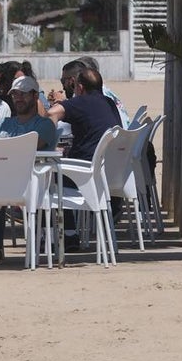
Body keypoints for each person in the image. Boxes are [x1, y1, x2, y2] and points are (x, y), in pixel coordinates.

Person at [0, 75, 59, 265]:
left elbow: (28, 148)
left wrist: (2, 151)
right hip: (0, 179)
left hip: (31, 183)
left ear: (35, 96)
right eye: (15, 94)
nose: (18, 98)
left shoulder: (45, 125)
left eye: (23, 94)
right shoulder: (3, 123)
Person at [47, 68, 123, 250]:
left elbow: (52, 114)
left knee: (47, 175)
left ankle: (65, 235)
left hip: (85, 172)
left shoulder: (81, 102)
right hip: (106, 171)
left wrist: (47, 140)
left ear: (79, 87)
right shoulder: (108, 103)